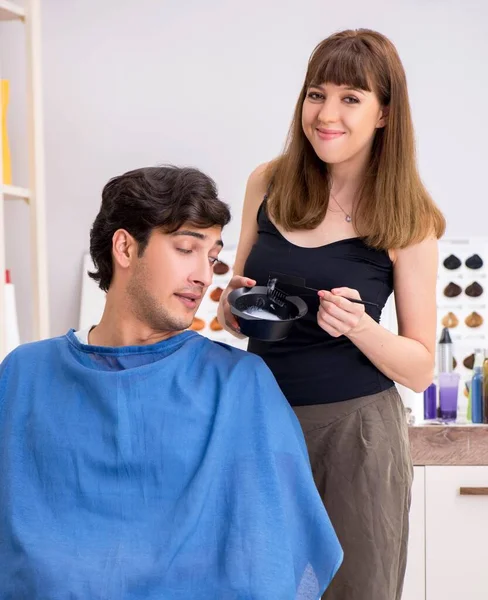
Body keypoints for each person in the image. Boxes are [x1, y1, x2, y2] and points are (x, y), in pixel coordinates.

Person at [0, 166, 343, 599]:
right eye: (186, 248)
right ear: (124, 247)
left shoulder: (239, 385)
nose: (205, 276)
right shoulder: (25, 376)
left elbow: (281, 561)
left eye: (213, 257)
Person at [218, 29, 445, 600]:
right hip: (262, 421)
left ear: (384, 114)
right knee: (258, 586)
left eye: (350, 98)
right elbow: (233, 309)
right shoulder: (267, 183)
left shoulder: (408, 218)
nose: (326, 114)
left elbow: (420, 369)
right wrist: (230, 307)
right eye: (316, 94)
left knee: (355, 591)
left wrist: (363, 328)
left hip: (359, 436)